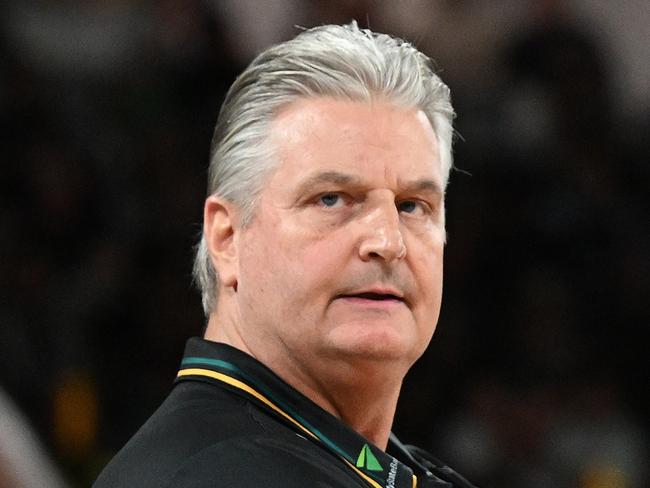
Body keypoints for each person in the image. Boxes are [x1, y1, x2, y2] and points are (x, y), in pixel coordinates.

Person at [94, 22, 476, 488]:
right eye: (332, 199)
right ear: (227, 238)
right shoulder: (220, 475)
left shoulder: (353, 462)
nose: (387, 241)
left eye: (412, 206)